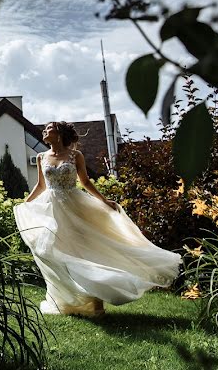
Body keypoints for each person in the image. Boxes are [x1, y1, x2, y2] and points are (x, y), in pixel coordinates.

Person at [13, 121, 181, 317]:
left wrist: (103, 200)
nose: (44, 131)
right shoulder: (41, 157)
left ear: (59, 134)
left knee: (86, 252)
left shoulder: (76, 156)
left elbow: (84, 181)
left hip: (75, 206)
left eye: (48, 129)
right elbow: (41, 185)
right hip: (51, 209)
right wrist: (26, 202)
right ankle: (66, 301)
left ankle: (96, 304)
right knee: (54, 252)